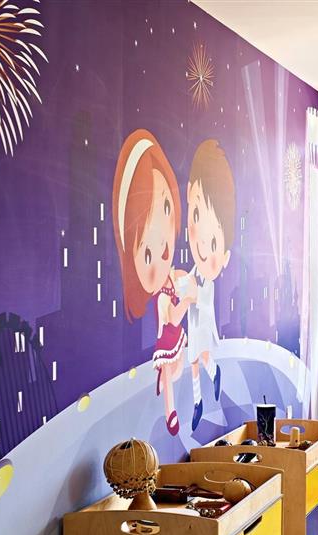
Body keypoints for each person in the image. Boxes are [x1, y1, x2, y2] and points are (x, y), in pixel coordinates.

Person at [112, 130, 193, 436]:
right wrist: (187, 300)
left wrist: (188, 287)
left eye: (166, 208)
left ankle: (173, 387)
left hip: (176, 336)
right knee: (170, 372)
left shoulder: (174, 276)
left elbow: (186, 282)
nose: (161, 246)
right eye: (146, 253)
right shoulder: (162, 297)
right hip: (168, 338)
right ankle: (170, 410)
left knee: (179, 366)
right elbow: (173, 317)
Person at [181, 139, 235, 430]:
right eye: (196, 215)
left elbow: (201, 299)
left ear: (224, 257)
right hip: (194, 326)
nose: (202, 244)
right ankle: (199, 399)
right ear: (189, 195)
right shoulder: (192, 272)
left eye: (214, 243)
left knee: (200, 357)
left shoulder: (206, 283)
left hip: (202, 326)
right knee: (195, 360)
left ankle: (212, 377)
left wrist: (191, 294)